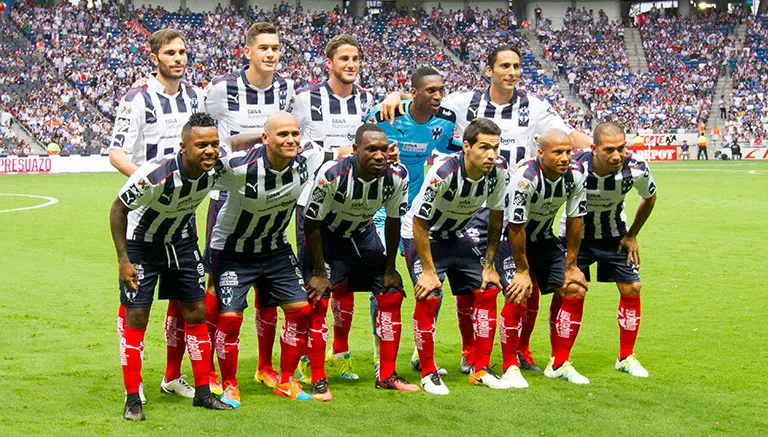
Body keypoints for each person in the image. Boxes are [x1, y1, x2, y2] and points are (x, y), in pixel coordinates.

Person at [380, 43, 592, 373]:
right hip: (468, 206)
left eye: (516, 66)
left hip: (511, 205)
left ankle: (512, 351)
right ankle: (429, 350)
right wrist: (396, 96)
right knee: (451, 284)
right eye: (504, 66)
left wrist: (596, 146)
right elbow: (424, 101)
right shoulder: (463, 103)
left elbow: (566, 134)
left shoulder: (534, 107)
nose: (511, 72)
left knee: (509, 281)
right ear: (489, 70)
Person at [109, 113, 234, 421]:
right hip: (143, 244)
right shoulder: (156, 174)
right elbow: (118, 208)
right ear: (183, 147)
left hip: (181, 242)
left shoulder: (217, 166)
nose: (209, 150)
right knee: (137, 316)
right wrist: (123, 260)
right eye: (201, 144)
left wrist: (262, 138)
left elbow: (237, 147)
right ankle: (132, 396)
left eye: (213, 144)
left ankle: (203, 392)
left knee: (196, 312)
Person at [108, 28, 207, 404]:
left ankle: (173, 376)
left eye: (182, 51)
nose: (179, 58)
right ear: (155, 57)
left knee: (186, 302)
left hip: (182, 220)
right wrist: (148, 181)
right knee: (137, 304)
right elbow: (116, 152)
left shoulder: (196, 96)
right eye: (170, 52)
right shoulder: (137, 99)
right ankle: (133, 384)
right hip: (144, 217)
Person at [203, 21, 296, 391]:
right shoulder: (221, 89)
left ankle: (264, 365)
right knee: (217, 283)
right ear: (248, 51)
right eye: (264, 48)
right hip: (228, 193)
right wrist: (252, 139)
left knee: (268, 285)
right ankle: (209, 367)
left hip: (271, 194)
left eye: (275, 48)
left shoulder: (287, 89)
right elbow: (204, 133)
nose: (271, 54)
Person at [208, 112, 325, 406]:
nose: (291, 140)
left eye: (294, 134)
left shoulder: (309, 158)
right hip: (233, 250)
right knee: (230, 318)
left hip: (275, 248)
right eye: (282, 134)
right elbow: (209, 161)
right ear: (265, 139)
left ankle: (286, 380)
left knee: (300, 311)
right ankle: (229, 384)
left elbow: (340, 152)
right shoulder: (236, 168)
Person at [301, 124, 419, 400]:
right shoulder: (332, 174)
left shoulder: (397, 176)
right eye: (371, 150)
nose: (380, 156)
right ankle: (317, 377)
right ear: (355, 150)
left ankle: (387, 375)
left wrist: (390, 269)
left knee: (391, 294)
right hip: (327, 236)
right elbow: (311, 223)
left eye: (384, 149)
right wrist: (319, 272)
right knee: (317, 299)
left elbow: (392, 222)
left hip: (363, 235)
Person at [291, 35, 375, 381]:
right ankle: (308, 356)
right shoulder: (304, 99)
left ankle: (340, 351)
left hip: (354, 203)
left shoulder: (368, 100)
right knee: (316, 281)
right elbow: (294, 142)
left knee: (347, 284)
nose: (351, 64)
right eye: (344, 58)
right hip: (313, 200)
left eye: (356, 58)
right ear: (329, 63)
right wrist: (337, 153)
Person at [365, 66, 459, 377]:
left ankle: (423, 352)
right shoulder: (384, 114)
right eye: (430, 90)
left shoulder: (445, 122)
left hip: (416, 214)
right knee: (384, 285)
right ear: (415, 91)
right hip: (380, 210)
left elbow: (455, 148)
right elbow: (360, 149)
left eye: (441, 90)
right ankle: (381, 356)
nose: (438, 95)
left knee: (433, 285)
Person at [406, 118, 511, 395]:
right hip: (422, 235)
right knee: (429, 294)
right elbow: (419, 220)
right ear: (466, 146)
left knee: (488, 289)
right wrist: (429, 272)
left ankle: (480, 369)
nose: (491, 155)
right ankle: (428, 372)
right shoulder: (444, 172)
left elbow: (496, 219)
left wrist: (489, 266)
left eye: (495, 148)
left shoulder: (499, 171)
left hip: (455, 235)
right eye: (484, 147)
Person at [564, 122, 657, 378]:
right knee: (571, 290)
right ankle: (559, 361)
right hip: (576, 236)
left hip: (615, 236)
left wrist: (633, 234)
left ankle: (626, 357)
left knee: (632, 287)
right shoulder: (573, 166)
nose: (617, 156)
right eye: (609, 150)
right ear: (594, 149)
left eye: (621, 148)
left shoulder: (636, 167)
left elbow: (650, 196)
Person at [504, 128, 590, 385]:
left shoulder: (575, 174)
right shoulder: (525, 178)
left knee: (574, 287)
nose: (565, 158)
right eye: (558, 152)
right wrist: (522, 270)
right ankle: (510, 365)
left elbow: (575, 219)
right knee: (518, 293)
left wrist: (571, 265)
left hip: (544, 239)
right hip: (511, 240)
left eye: (568, 152)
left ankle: (559, 362)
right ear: (541, 153)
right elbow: (516, 227)